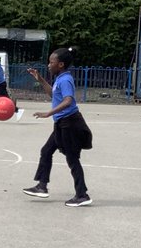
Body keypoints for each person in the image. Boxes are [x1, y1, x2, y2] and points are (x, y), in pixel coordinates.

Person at [23, 48, 94, 206]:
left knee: (72, 159)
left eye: (51, 62)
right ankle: (42, 186)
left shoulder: (65, 80)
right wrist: (40, 79)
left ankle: (82, 195)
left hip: (70, 124)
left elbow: (68, 100)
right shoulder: (60, 78)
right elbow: (54, 95)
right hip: (62, 123)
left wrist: (49, 113)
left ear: (61, 64)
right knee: (46, 151)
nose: (49, 65)